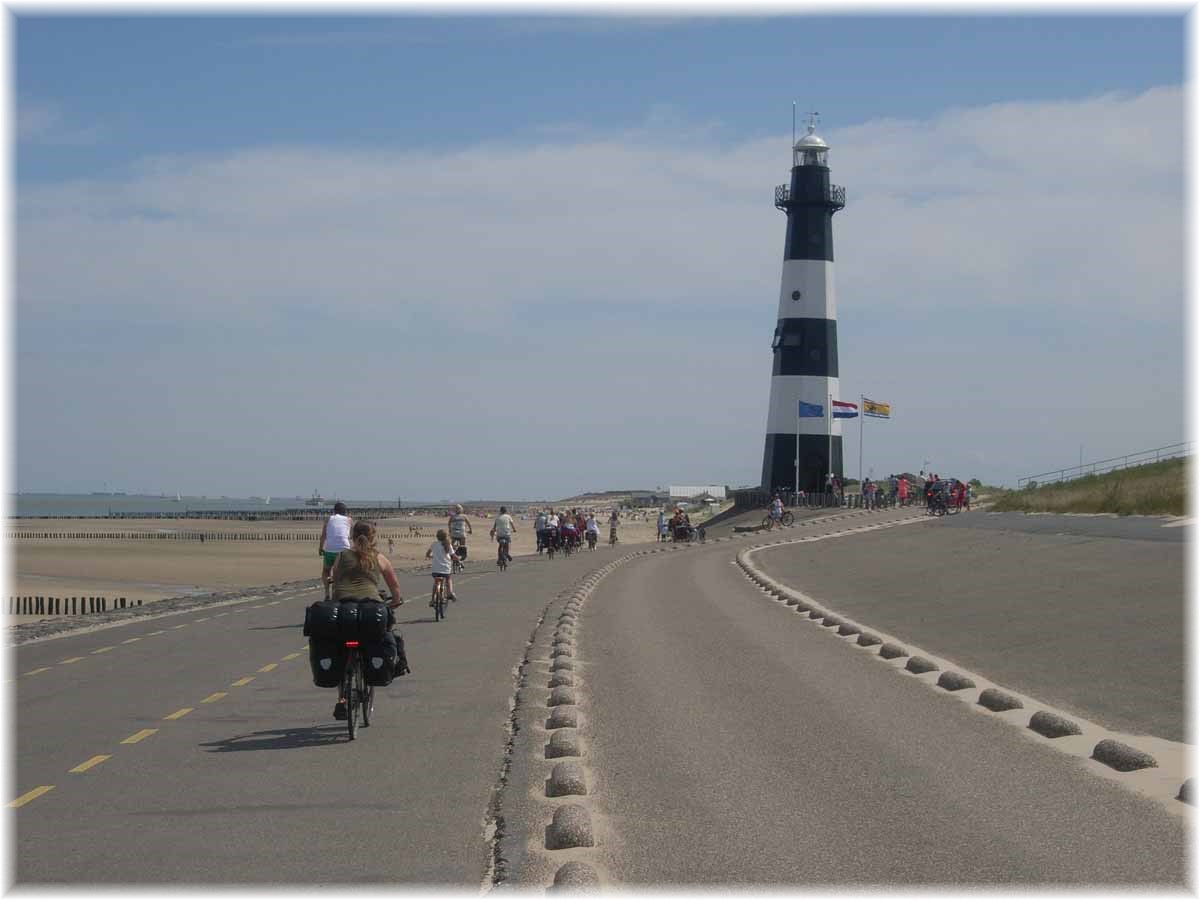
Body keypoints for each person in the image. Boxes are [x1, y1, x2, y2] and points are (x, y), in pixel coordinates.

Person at [329, 520, 406, 720]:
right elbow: (395, 587)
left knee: (340, 649)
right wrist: (395, 602)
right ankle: (392, 667)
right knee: (383, 635)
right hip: (370, 608)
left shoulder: (341, 556)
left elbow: (335, 580)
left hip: (344, 609)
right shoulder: (379, 558)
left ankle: (342, 699)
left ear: (352, 537)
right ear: (373, 538)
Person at [319, 501, 353, 601]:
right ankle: (338, 591)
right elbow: (350, 535)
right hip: (344, 549)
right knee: (342, 571)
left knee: (326, 571)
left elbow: (323, 536)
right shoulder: (349, 520)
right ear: (345, 512)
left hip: (330, 549)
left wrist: (321, 548)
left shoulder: (328, 519)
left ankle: (326, 592)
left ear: (334, 511)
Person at [426, 528, 460, 604]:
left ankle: (432, 600)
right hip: (445, 569)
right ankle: (450, 593)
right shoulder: (448, 544)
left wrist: (432, 556)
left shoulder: (434, 544)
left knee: (435, 583)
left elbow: (427, 554)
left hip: (436, 569)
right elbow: (453, 555)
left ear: (437, 536)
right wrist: (458, 559)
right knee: (448, 579)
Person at [447, 503, 472, 567]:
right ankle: (462, 558)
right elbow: (469, 524)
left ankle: (452, 554)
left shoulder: (452, 516)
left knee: (452, 545)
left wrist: (450, 530)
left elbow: (449, 524)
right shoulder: (464, 516)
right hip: (461, 533)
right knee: (462, 546)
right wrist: (470, 530)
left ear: (455, 510)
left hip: (454, 533)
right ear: (461, 510)